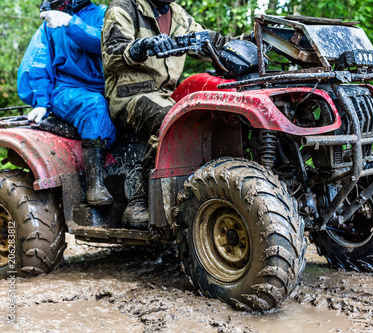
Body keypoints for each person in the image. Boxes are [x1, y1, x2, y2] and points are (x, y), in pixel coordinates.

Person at [102, 0, 250, 228]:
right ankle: (138, 202)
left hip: (167, 94)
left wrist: (254, 40)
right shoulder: (124, 7)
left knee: (214, 110)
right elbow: (111, 54)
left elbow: (215, 43)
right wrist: (139, 47)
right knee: (169, 119)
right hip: (129, 95)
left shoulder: (178, 15)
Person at [18, 0, 116, 206]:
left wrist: (72, 24)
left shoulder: (105, 14)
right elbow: (38, 61)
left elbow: (105, 44)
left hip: (107, 87)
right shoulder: (49, 23)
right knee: (94, 107)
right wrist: (42, 102)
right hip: (67, 90)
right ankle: (95, 185)